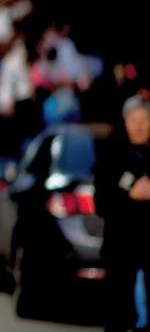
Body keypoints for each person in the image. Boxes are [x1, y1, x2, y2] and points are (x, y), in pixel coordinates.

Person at [96, 94, 150, 332]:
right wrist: (129, 195)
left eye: (144, 119)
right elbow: (101, 201)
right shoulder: (112, 155)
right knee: (118, 309)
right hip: (120, 245)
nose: (138, 126)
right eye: (133, 119)